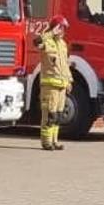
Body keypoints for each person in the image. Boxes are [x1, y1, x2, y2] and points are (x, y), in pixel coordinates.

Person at [36, 16, 72, 151]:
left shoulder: (63, 44)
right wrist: (51, 33)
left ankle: (55, 141)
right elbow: (36, 41)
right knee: (49, 116)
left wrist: (69, 81)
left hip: (62, 86)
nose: (63, 31)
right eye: (61, 27)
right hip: (50, 86)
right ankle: (46, 142)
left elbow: (65, 65)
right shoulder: (47, 41)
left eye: (64, 29)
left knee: (58, 116)